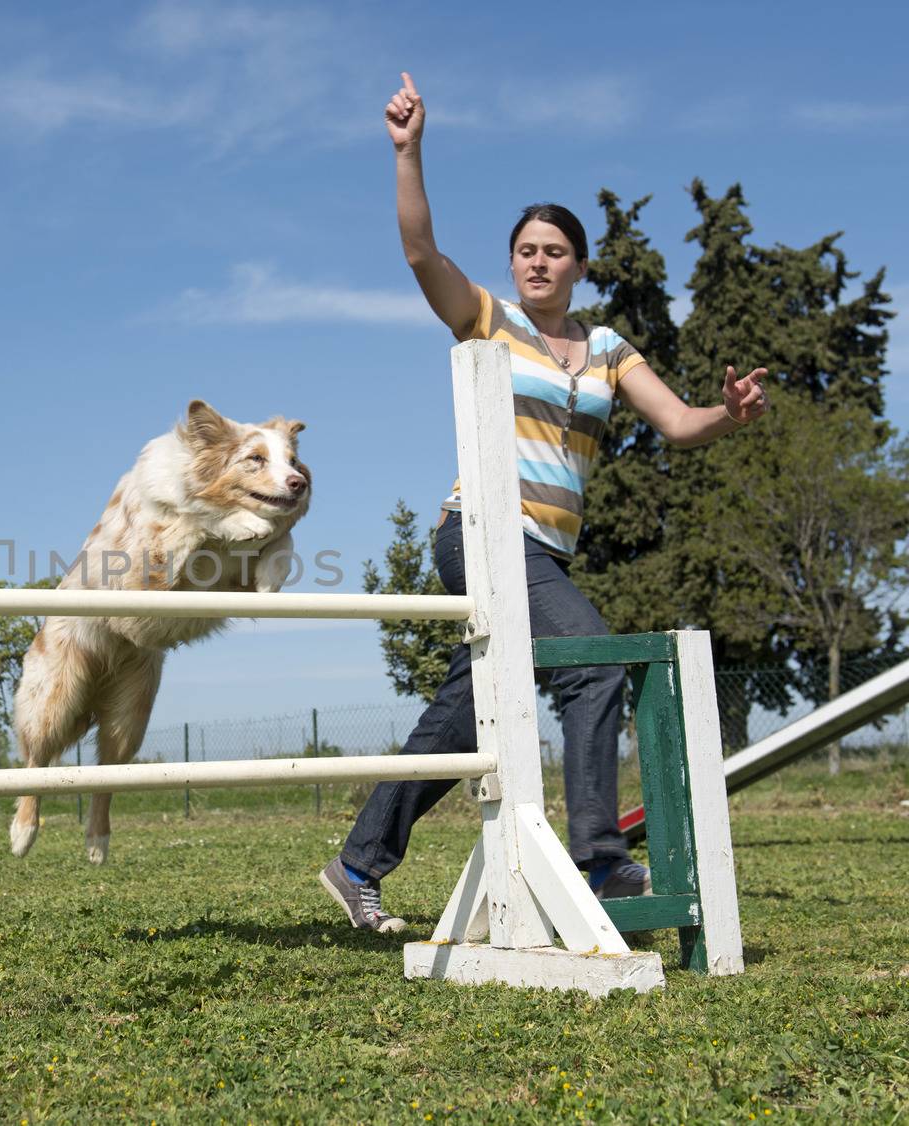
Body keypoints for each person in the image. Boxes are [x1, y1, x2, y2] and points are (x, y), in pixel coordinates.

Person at [320, 73, 770, 933]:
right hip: (483, 530)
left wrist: (731, 415)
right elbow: (421, 254)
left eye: (553, 251)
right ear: (512, 264)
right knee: (594, 665)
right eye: (525, 249)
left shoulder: (605, 347)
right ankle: (600, 861)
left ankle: (357, 864)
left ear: (578, 266)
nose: (537, 260)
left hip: (545, 552)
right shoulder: (487, 320)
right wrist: (408, 152)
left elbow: (678, 422)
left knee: (468, 712)